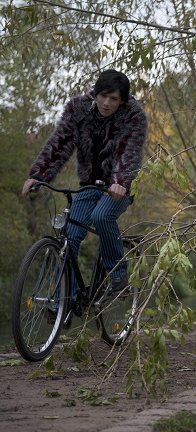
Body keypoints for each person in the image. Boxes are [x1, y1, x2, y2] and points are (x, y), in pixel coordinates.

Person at [22, 69, 148, 302]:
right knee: (69, 235)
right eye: (103, 96)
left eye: (114, 99)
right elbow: (59, 143)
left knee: (102, 216)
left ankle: (117, 275)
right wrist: (38, 176)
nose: (107, 103)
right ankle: (63, 302)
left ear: (122, 101)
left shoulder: (134, 116)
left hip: (120, 186)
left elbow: (128, 153)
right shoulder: (78, 109)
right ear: (96, 92)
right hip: (89, 185)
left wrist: (120, 182)